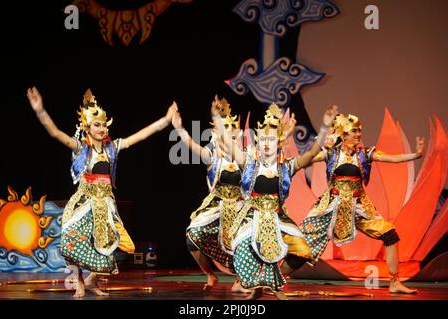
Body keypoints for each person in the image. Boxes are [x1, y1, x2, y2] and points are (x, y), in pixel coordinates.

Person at [27, 87, 177, 298]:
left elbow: (141, 135)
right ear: (87, 126)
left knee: (126, 249)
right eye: (97, 125)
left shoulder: (112, 148)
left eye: (104, 124)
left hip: (106, 206)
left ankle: (91, 280)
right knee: (74, 242)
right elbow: (55, 133)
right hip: (84, 202)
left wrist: (165, 119)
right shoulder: (80, 148)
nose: (102, 128)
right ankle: (79, 281)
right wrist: (40, 110)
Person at [213, 102, 338, 299]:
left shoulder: (288, 166)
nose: (265, 143)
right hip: (252, 217)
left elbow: (312, 152)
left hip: (278, 218)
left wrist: (323, 128)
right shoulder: (249, 163)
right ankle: (258, 287)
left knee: (302, 251)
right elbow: (229, 145)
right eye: (262, 139)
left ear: (278, 141)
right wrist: (217, 120)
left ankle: (274, 281)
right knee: (243, 251)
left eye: (270, 139)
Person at [299, 113, 423, 294]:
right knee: (301, 244)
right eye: (354, 131)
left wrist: (416, 154)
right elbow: (307, 159)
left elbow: (392, 158)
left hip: (359, 207)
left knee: (390, 234)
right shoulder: (331, 153)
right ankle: (276, 280)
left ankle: (395, 282)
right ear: (343, 133)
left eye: (360, 131)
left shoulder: (365, 154)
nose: (359, 134)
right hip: (332, 207)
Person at [172, 95, 248, 293]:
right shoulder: (211, 155)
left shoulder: (244, 156)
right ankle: (210, 274)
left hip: (240, 205)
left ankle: (240, 280)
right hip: (217, 204)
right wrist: (179, 128)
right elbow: (190, 144)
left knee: (243, 241)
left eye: (231, 132)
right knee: (192, 235)